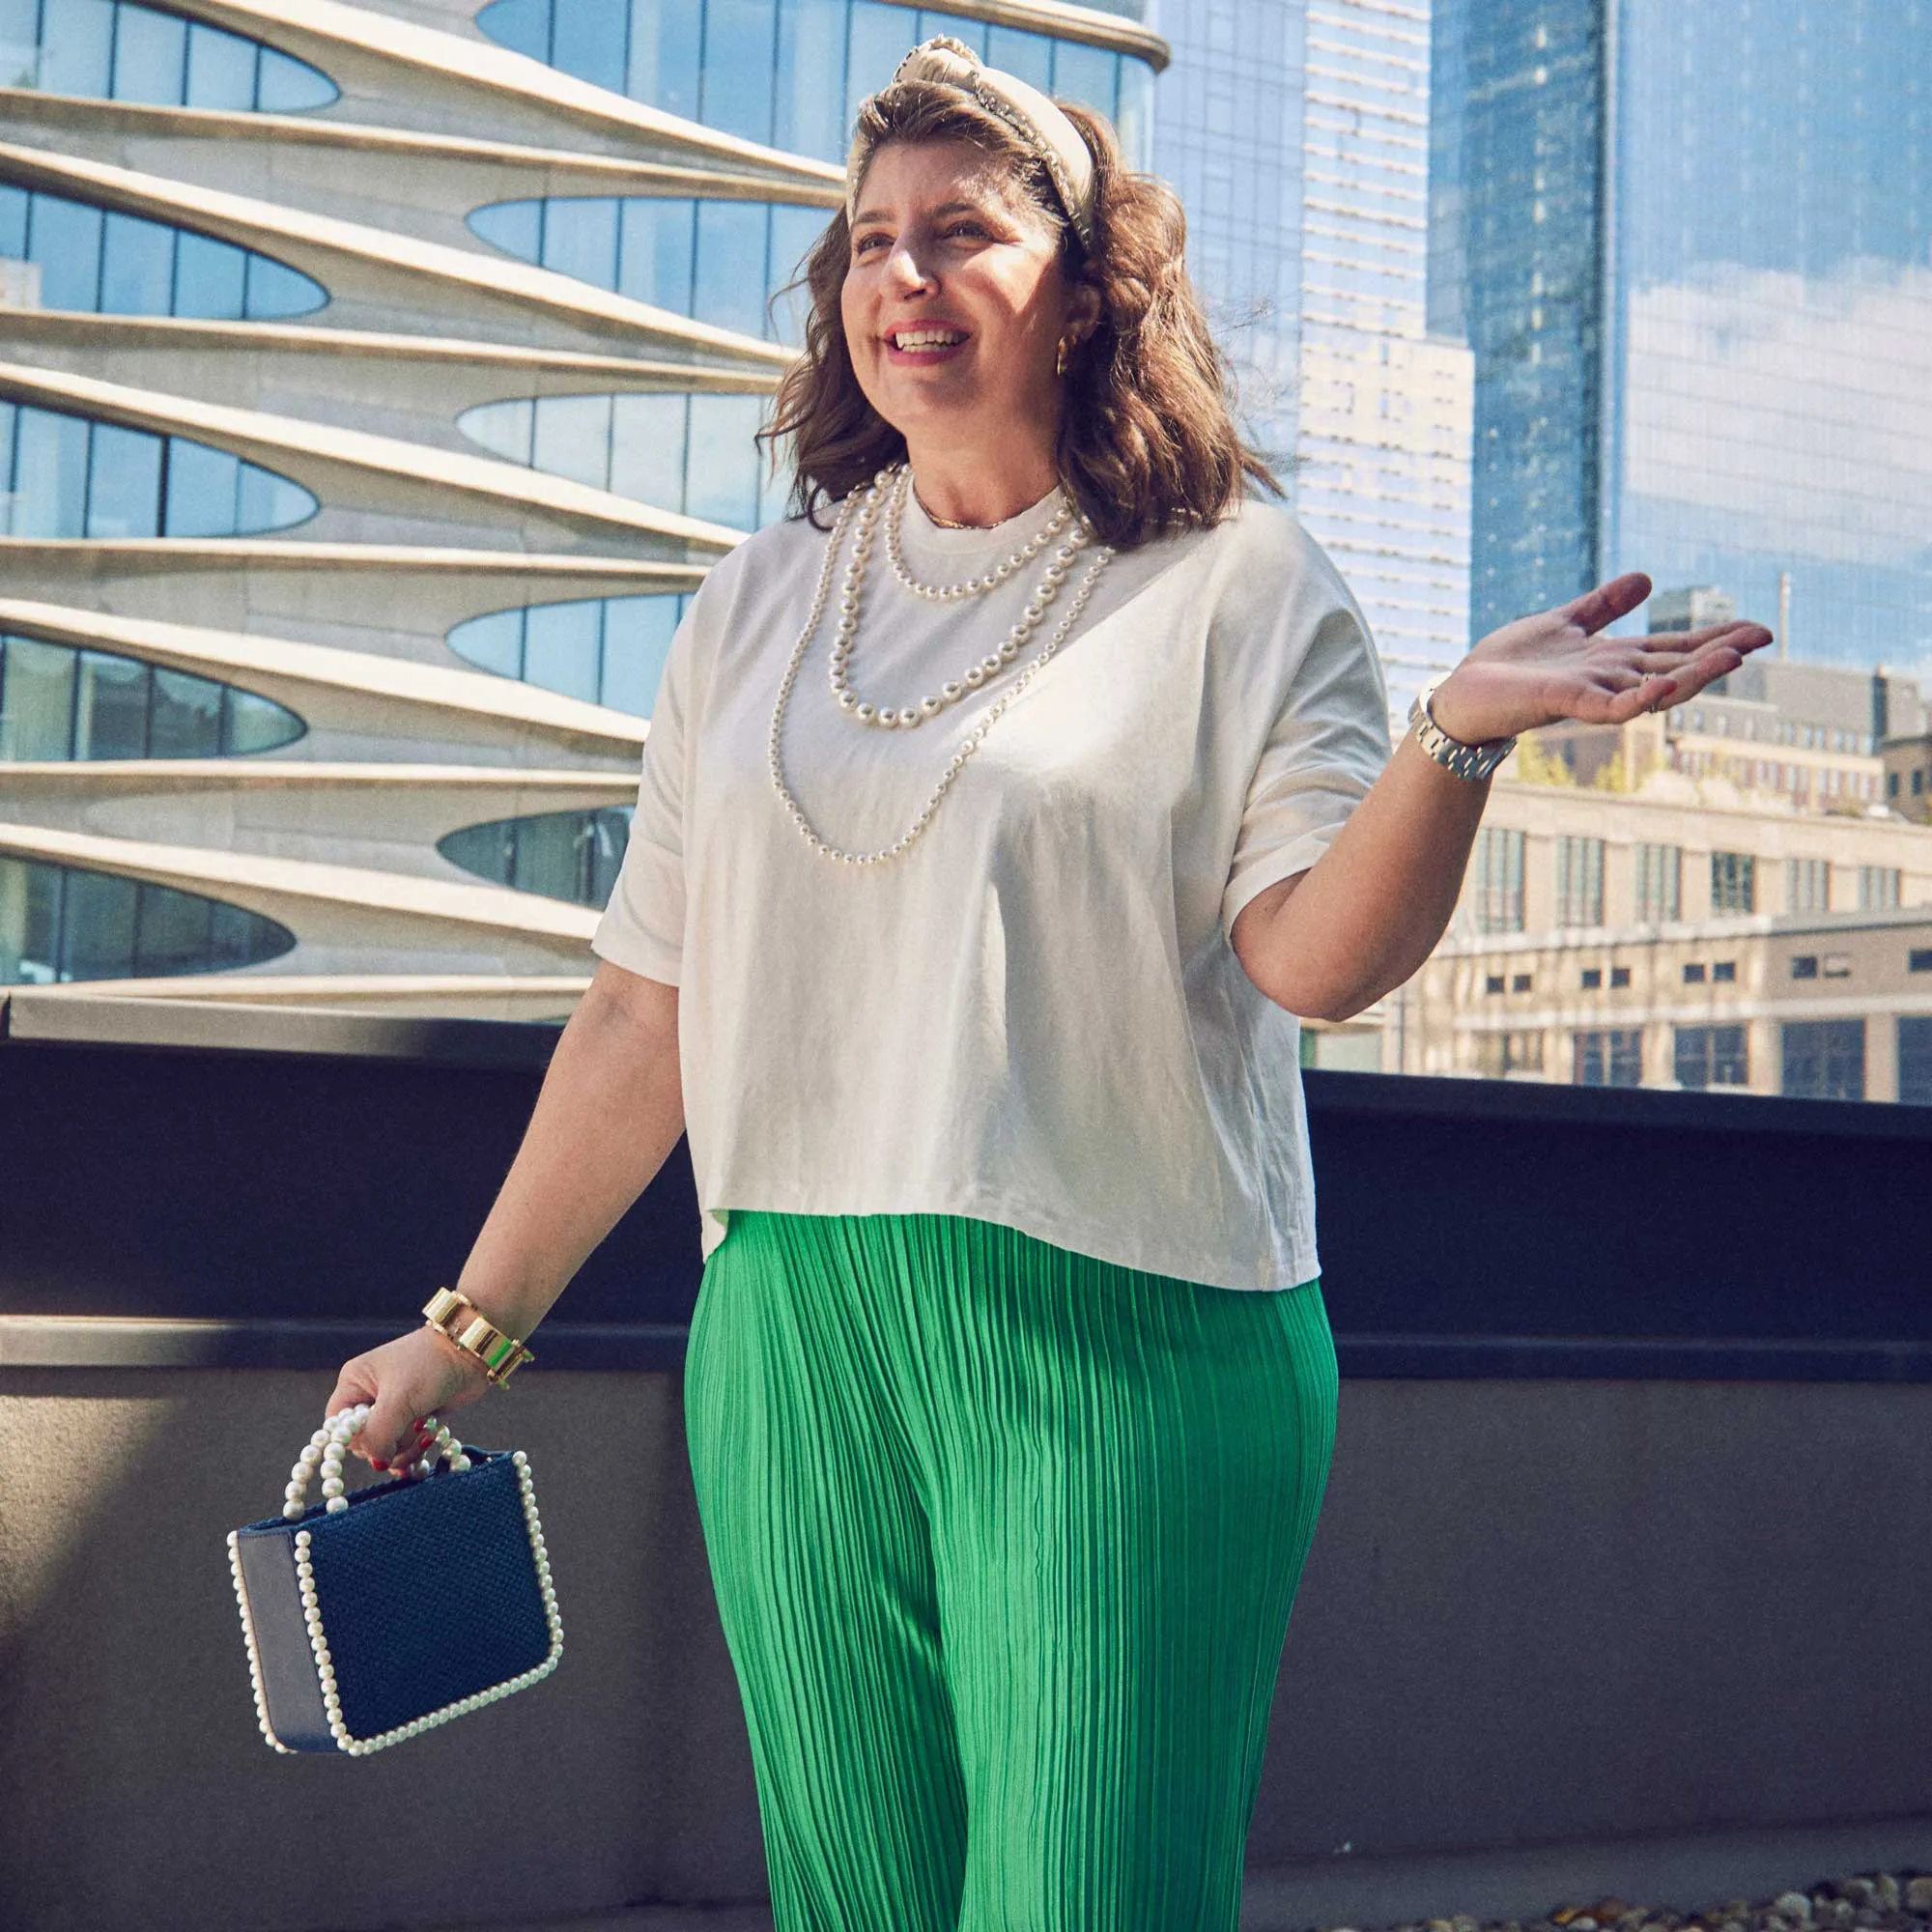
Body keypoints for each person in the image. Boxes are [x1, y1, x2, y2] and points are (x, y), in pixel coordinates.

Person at [325, 37, 1769, 1931]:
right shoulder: (752, 605)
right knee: (860, 1902)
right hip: (788, 1337)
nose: (901, 279)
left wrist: (1452, 742)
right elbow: (642, 1013)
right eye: (867, 243)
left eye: (961, 234)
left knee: (1085, 1895)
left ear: (1086, 289)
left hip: (1134, 1332)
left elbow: (1311, 961)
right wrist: (470, 1330)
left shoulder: (1239, 581)